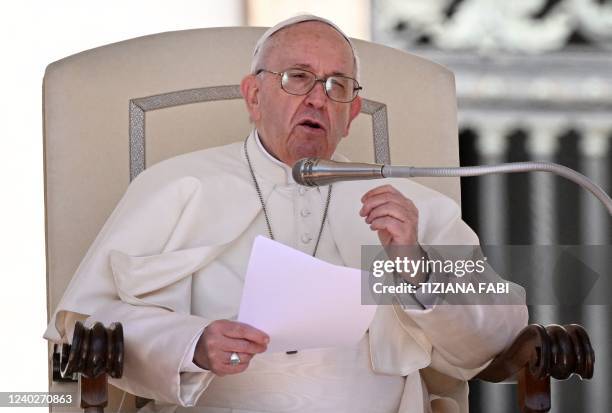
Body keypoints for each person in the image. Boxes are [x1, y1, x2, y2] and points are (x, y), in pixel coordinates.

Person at [44, 15, 528, 413]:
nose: (318, 96)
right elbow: (84, 327)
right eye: (298, 78)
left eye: (337, 86)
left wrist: (416, 266)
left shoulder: (409, 205)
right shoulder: (176, 186)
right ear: (254, 96)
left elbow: (496, 332)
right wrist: (191, 343)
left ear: (352, 112)